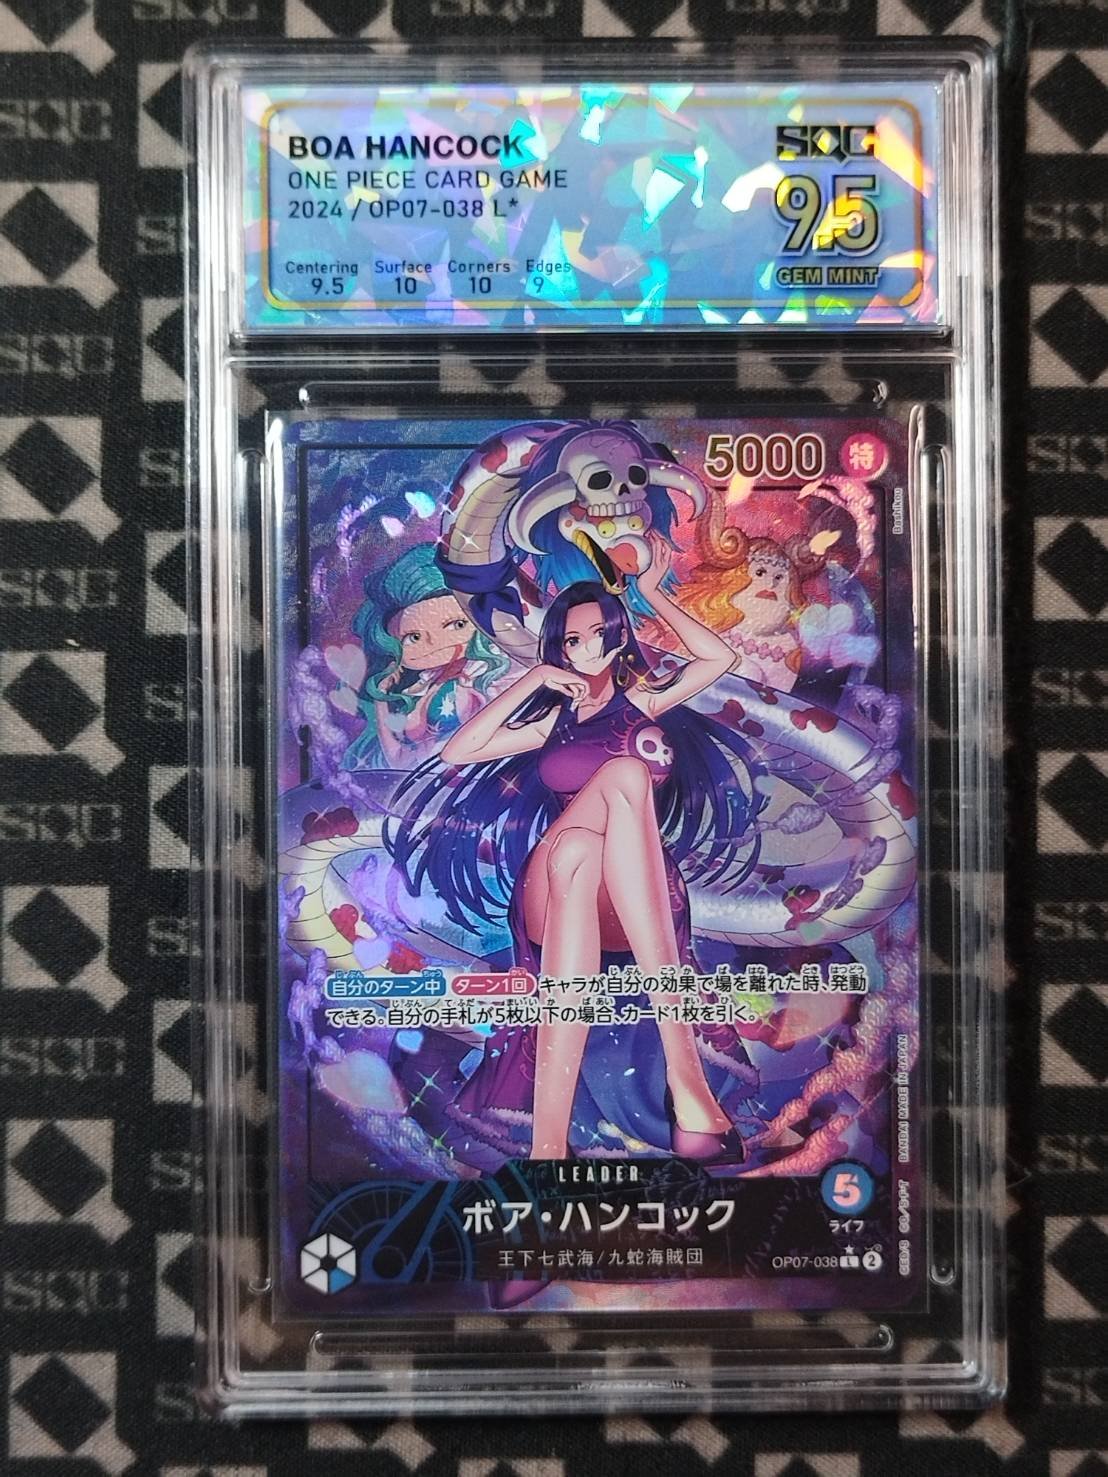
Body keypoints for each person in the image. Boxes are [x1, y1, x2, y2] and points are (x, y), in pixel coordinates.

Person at [388, 536, 763, 1161]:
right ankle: (687, 1085)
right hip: (548, 885)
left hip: (624, 891)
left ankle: (547, 1145)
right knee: (620, 780)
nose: (586, 648)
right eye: (571, 640)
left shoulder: (642, 704)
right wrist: (535, 679)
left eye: (599, 635)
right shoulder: (551, 723)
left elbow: (717, 657)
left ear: (619, 637)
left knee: (582, 853)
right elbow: (459, 749)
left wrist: (650, 592)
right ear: (558, 647)